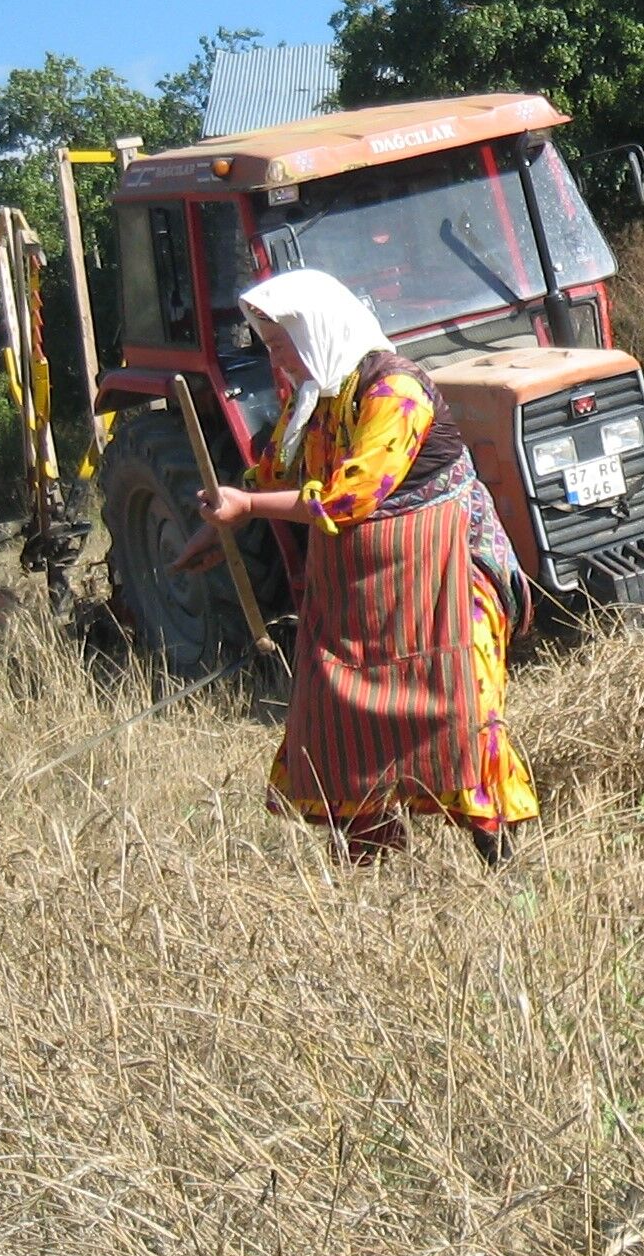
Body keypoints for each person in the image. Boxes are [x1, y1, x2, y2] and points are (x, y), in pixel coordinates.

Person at [173, 268, 540, 863]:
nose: (278, 360)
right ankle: (375, 872)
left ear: (316, 328)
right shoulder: (313, 394)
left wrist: (247, 509)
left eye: (279, 343)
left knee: (461, 704)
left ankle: (506, 868)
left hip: (449, 572)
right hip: (362, 587)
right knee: (334, 709)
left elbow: (349, 497)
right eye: (268, 346)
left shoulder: (396, 392)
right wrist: (219, 529)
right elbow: (271, 474)